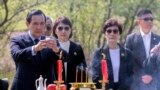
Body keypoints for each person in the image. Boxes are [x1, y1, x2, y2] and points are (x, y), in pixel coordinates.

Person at [10, 9, 66, 90]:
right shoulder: (17, 40)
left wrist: (57, 50)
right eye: (35, 23)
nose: (39, 27)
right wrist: (34, 49)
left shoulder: (52, 41)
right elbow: (16, 55)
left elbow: (65, 58)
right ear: (27, 24)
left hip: (48, 86)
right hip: (23, 86)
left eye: (42, 23)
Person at [91, 19, 133, 90]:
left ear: (119, 34)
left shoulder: (128, 54)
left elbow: (131, 75)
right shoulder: (98, 53)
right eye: (109, 31)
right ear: (105, 34)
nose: (112, 33)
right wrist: (107, 88)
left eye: (115, 31)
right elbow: (95, 76)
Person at [125, 9, 160, 90]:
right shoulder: (131, 39)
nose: (149, 21)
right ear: (139, 21)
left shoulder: (158, 39)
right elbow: (128, 62)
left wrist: (152, 77)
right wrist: (142, 76)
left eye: (151, 19)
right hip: (136, 84)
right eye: (146, 19)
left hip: (155, 84)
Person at [52, 16, 87, 90]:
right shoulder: (51, 47)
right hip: (55, 87)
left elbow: (83, 67)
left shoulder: (77, 48)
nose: (63, 31)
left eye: (66, 28)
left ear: (71, 30)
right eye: (60, 28)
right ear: (55, 31)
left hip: (74, 87)